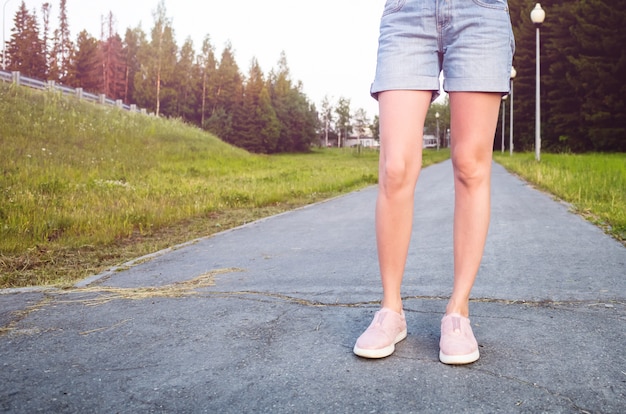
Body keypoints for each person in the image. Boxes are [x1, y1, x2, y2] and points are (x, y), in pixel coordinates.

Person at [353, 0, 515, 364]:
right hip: (406, 13)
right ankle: (391, 309)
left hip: (480, 13)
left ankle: (458, 311)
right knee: (395, 167)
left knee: (471, 165)